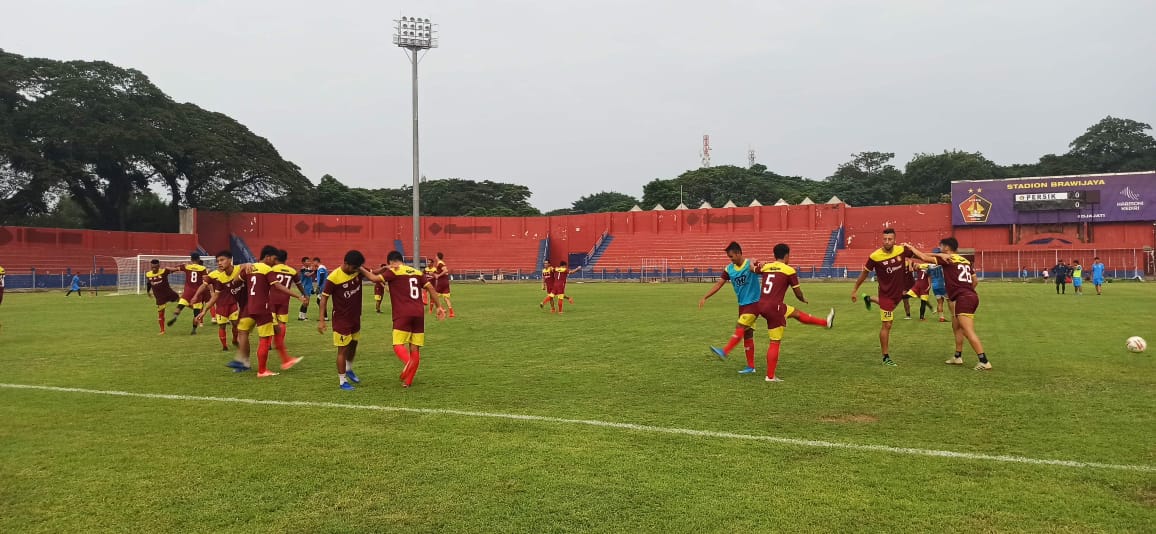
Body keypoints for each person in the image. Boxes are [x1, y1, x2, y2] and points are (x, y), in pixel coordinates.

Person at [907, 238, 992, 371]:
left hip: (964, 298)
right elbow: (975, 281)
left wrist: (911, 248)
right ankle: (957, 356)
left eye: (941, 246)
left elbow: (923, 257)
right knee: (956, 326)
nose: (939, 248)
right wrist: (966, 291)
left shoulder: (947, 259)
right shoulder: (965, 261)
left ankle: (984, 361)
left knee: (968, 331)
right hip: (968, 296)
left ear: (946, 247)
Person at [753, 243, 835, 381]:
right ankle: (770, 376)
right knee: (775, 341)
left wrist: (756, 262)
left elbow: (752, 268)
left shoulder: (766, 267)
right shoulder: (789, 270)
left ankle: (825, 322)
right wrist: (802, 298)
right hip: (775, 307)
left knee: (796, 313)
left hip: (762, 305)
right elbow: (797, 292)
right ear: (786, 256)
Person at [372, 251, 446, 388]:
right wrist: (439, 307)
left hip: (402, 313)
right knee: (415, 348)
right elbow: (430, 288)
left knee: (397, 344)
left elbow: (374, 278)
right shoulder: (417, 272)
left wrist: (365, 269)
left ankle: (408, 363)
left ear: (391, 262)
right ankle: (408, 382)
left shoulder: (394, 271)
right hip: (418, 313)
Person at [239, 245, 307, 378]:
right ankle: (263, 369)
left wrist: (243, 265)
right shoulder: (272, 269)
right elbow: (278, 285)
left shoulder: (250, 268)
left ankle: (285, 359)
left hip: (252, 306)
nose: (274, 262)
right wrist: (299, 295)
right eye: (273, 259)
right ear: (268, 257)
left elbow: (236, 281)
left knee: (257, 332)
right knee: (267, 338)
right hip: (268, 306)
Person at [849, 228, 913, 366]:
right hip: (886, 294)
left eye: (890, 239)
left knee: (891, 310)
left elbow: (921, 256)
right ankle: (885, 357)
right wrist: (854, 289)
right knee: (887, 324)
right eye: (885, 239)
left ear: (895, 240)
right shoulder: (875, 256)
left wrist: (939, 257)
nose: (887, 241)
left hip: (898, 294)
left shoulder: (901, 250)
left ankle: (869, 298)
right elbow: (864, 274)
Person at [698, 242, 762, 370]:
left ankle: (725, 351)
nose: (730, 259)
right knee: (747, 334)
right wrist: (705, 296)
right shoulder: (729, 269)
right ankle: (751, 367)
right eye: (729, 257)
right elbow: (718, 284)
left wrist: (757, 263)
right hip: (742, 305)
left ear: (738, 253)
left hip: (755, 303)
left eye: (731, 256)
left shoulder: (750, 264)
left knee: (740, 326)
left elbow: (763, 270)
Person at [318, 250, 373, 391]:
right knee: (342, 350)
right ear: (346, 264)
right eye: (354, 268)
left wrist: (384, 269)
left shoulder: (357, 269)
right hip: (341, 319)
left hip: (355, 317)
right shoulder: (333, 277)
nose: (356, 270)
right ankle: (342, 381)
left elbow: (372, 273)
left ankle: (349, 368)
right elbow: (324, 298)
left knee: (354, 344)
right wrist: (321, 320)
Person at [195, 251, 244, 354]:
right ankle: (224, 346)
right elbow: (210, 291)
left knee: (235, 324)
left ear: (230, 260)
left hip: (234, 303)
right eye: (218, 261)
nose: (219, 263)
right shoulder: (217, 277)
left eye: (222, 260)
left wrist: (248, 264)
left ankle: (235, 340)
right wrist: (203, 308)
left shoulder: (239, 269)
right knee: (222, 326)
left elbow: (250, 267)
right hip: (221, 305)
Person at [270, 249, 306, 362]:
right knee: (282, 323)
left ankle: (269, 343)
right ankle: (279, 342)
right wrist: (305, 295)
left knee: (271, 322)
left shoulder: (271, 269)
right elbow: (299, 284)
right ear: (286, 258)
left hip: (271, 298)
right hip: (285, 299)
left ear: (275, 258)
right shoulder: (292, 271)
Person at [167, 253, 209, 334]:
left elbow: (173, 269)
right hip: (198, 293)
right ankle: (194, 330)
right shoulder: (203, 268)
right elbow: (206, 280)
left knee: (180, 306)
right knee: (196, 313)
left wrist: (166, 268)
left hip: (187, 292)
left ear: (191, 259)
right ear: (198, 259)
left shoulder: (186, 266)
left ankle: (175, 316)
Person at [145, 259, 180, 335]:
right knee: (161, 313)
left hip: (169, 293)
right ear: (151, 266)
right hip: (160, 297)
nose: (154, 268)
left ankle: (196, 311)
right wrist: (148, 292)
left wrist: (179, 268)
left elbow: (173, 270)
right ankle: (162, 330)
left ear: (159, 266)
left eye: (155, 267)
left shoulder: (164, 271)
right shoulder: (148, 274)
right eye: (152, 267)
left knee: (182, 302)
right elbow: (149, 284)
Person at [926, 251, 949, 322]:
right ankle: (955, 316)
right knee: (950, 301)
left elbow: (928, 276)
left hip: (935, 286)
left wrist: (929, 285)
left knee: (940, 302)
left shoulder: (929, 266)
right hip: (942, 285)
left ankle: (941, 318)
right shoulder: (941, 264)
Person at [433, 252, 456, 318]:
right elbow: (442, 271)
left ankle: (442, 309)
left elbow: (445, 270)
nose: (435, 257)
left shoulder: (440, 263)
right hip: (445, 282)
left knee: (435, 296)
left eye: (436, 256)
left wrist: (438, 275)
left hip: (442, 282)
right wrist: (435, 273)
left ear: (437, 256)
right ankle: (451, 313)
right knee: (446, 298)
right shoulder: (442, 263)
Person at [298, 256, 315, 321]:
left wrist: (312, 287)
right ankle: (301, 317)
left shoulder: (308, 269)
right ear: (303, 262)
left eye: (309, 261)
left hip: (308, 287)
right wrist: (314, 271)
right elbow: (308, 275)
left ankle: (302, 316)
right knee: (305, 302)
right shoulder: (303, 269)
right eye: (307, 261)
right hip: (304, 287)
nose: (309, 262)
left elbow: (310, 279)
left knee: (307, 302)